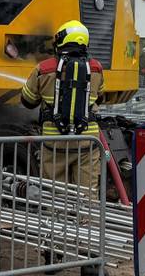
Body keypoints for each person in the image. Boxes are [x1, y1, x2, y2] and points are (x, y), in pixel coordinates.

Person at [20, 19, 104, 189]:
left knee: (55, 194)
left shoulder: (43, 69)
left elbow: (27, 101)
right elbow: (100, 97)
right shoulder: (96, 69)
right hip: (88, 141)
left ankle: (57, 216)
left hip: (54, 142)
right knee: (87, 195)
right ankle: (87, 217)